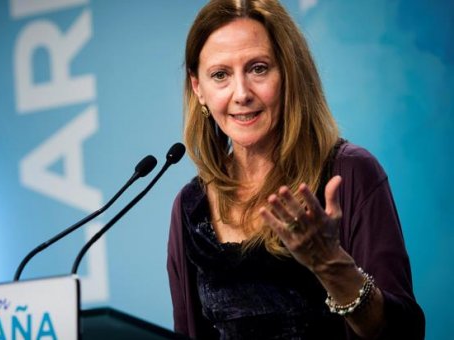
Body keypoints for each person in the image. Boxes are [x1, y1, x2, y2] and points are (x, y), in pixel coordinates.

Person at [166, 0, 425, 339]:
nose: (241, 93)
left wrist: (330, 265)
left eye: (258, 68)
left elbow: (402, 334)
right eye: (220, 75)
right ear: (198, 88)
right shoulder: (191, 207)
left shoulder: (349, 175)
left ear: (289, 73)